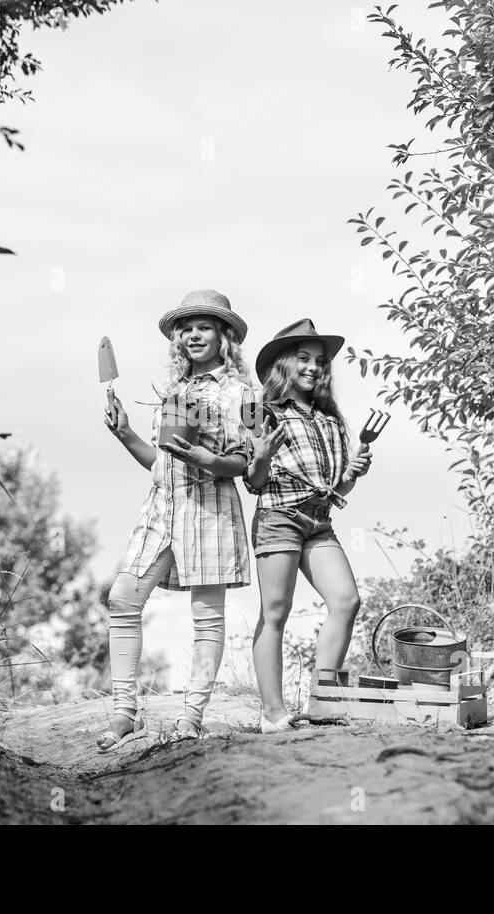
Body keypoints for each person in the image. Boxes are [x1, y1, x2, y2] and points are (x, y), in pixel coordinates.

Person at [97, 290, 255, 752]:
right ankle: (126, 712)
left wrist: (209, 457)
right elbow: (161, 462)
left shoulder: (245, 394)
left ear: (225, 336)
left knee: (207, 617)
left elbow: (247, 464)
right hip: (161, 507)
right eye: (185, 328)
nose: (192, 334)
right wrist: (125, 433)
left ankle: (192, 716)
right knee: (123, 597)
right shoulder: (174, 393)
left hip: (209, 508)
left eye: (203, 326)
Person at [244, 318, 373, 732]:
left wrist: (354, 471)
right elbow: (254, 482)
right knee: (276, 611)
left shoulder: (330, 420)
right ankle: (273, 713)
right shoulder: (265, 414)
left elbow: (338, 487)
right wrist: (260, 455)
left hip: (318, 522)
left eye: (320, 361)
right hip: (278, 517)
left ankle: (323, 698)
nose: (313, 367)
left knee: (346, 600)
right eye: (303, 358)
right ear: (284, 364)